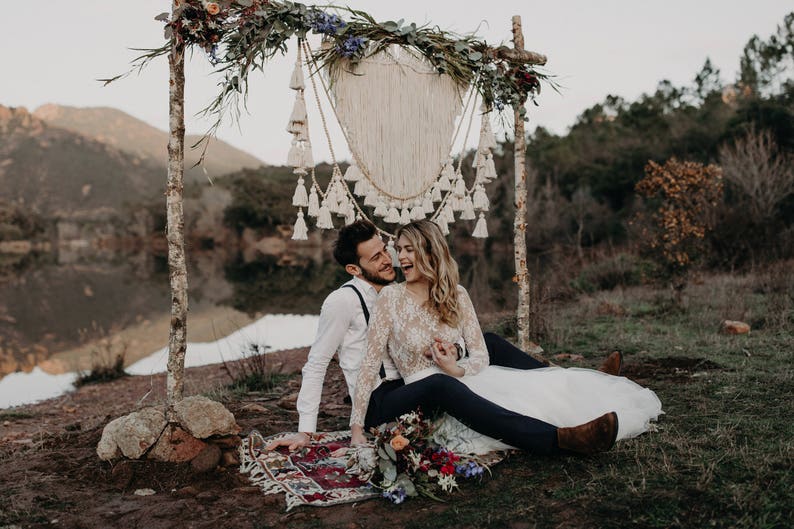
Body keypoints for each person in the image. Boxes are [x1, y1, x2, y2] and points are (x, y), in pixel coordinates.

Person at [270, 220, 627, 455]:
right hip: (381, 398)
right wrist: (311, 429)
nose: (389, 258)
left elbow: (426, 329)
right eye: (376, 257)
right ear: (354, 268)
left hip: (417, 380)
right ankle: (556, 440)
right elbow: (317, 364)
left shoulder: (402, 289)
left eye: (386, 249)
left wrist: (453, 350)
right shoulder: (342, 301)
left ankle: (575, 383)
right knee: (443, 386)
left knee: (489, 343)